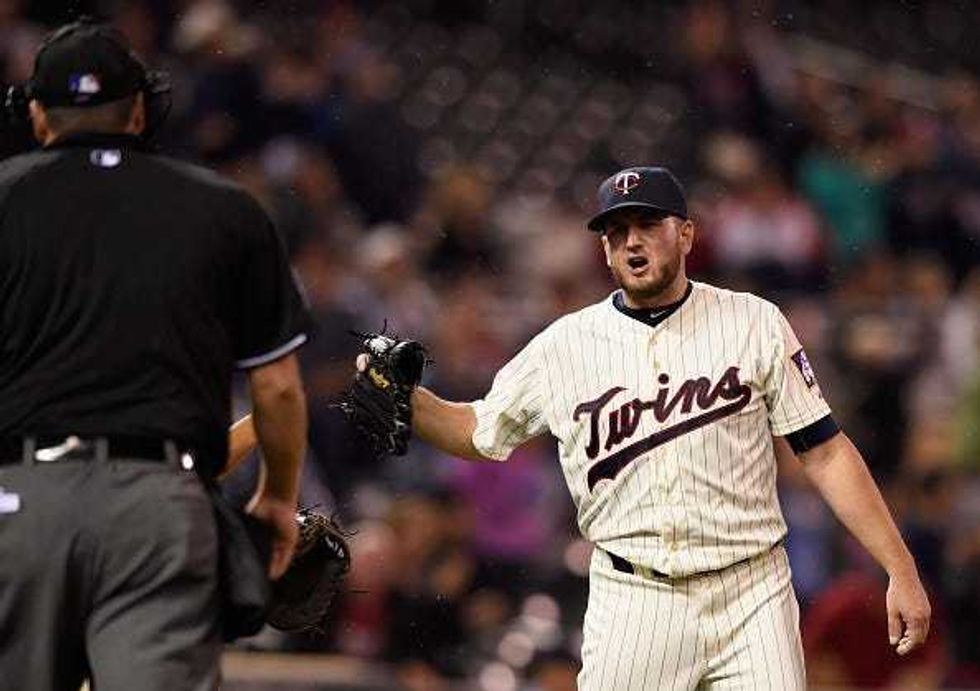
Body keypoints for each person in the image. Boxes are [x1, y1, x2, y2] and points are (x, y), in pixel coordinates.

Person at [403, 166, 932, 689]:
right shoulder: (562, 347)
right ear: (606, 249)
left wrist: (899, 568)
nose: (632, 241)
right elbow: (477, 431)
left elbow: (825, 452)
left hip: (751, 589)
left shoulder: (754, 322)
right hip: (634, 597)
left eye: (648, 224)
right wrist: (409, 400)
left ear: (685, 234)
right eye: (617, 231)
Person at [0, 20, 309, 691]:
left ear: (35, 114)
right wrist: (277, 497)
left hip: (16, 498)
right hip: (159, 505)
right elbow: (279, 387)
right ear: (140, 109)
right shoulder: (227, 211)